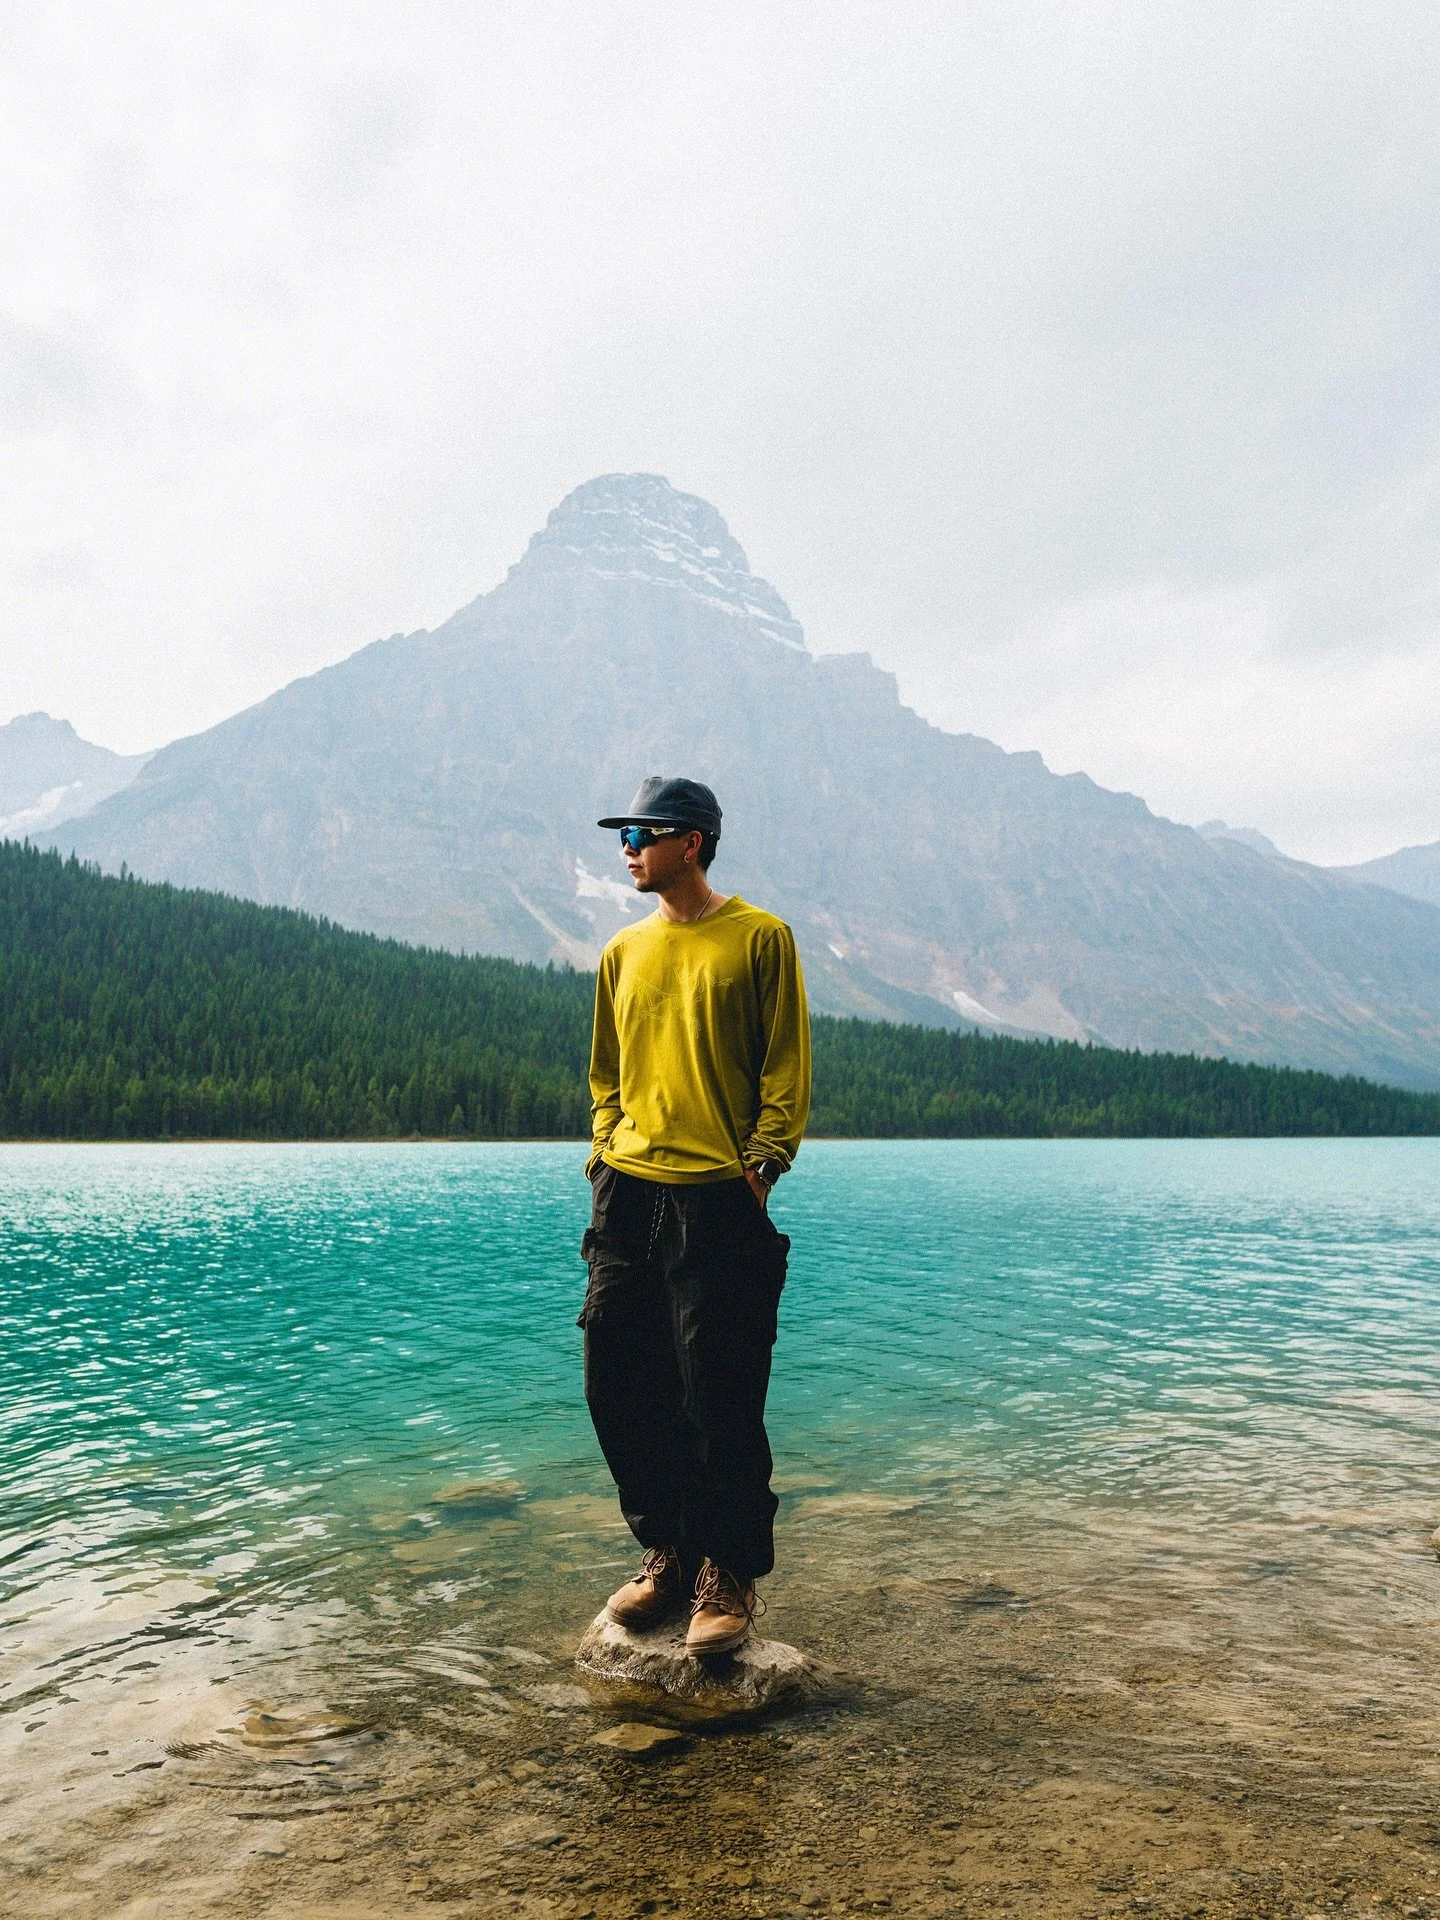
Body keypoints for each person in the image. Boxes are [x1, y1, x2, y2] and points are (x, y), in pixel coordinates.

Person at [579, 775, 811, 1653]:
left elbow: (786, 1064)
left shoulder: (760, 939)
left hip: (719, 1193)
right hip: (627, 1192)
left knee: (720, 1390)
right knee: (617, 1376)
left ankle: (729, 1571)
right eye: (623, 834)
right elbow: (606, 1072)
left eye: (643, 831)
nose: (628, 848)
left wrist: (763, 1165)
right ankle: (669, 1551)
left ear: (694, 843)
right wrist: (606, 1143)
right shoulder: (622, 951)